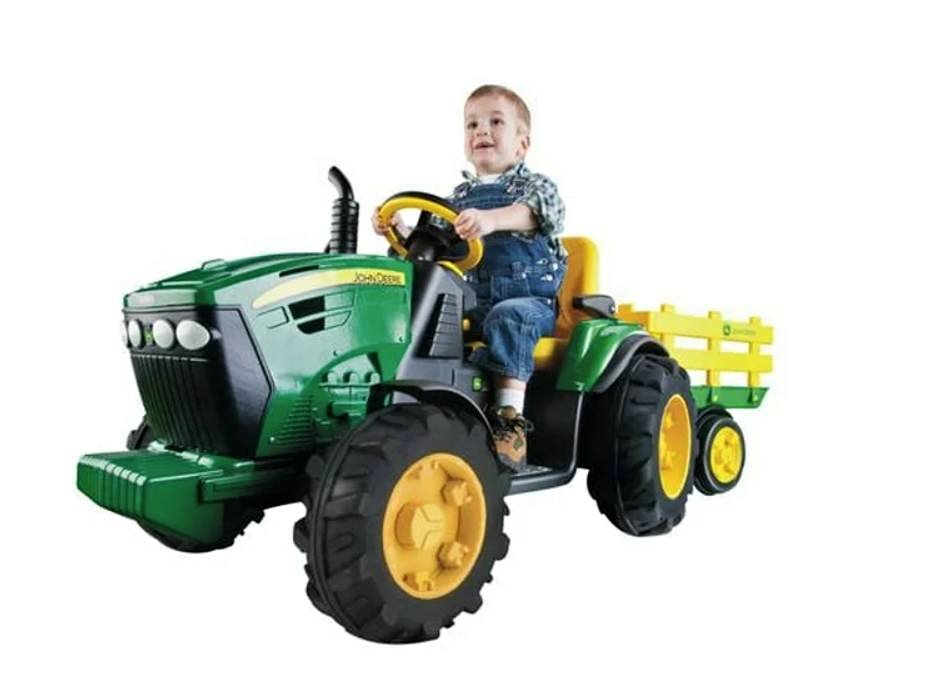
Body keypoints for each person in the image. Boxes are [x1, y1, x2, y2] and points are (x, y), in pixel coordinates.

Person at [373, 84, 566, 470]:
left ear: (522, 144)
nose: (481, 131)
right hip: (472, 303)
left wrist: (491, 220)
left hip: (530, 304)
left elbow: (536, 212)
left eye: (496, 122)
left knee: (507, 318)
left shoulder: (534, 186)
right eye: (472, 124)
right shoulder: (457, 199)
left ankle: (509, 422)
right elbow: (436, 249)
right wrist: (402, 232)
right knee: (419, 319)